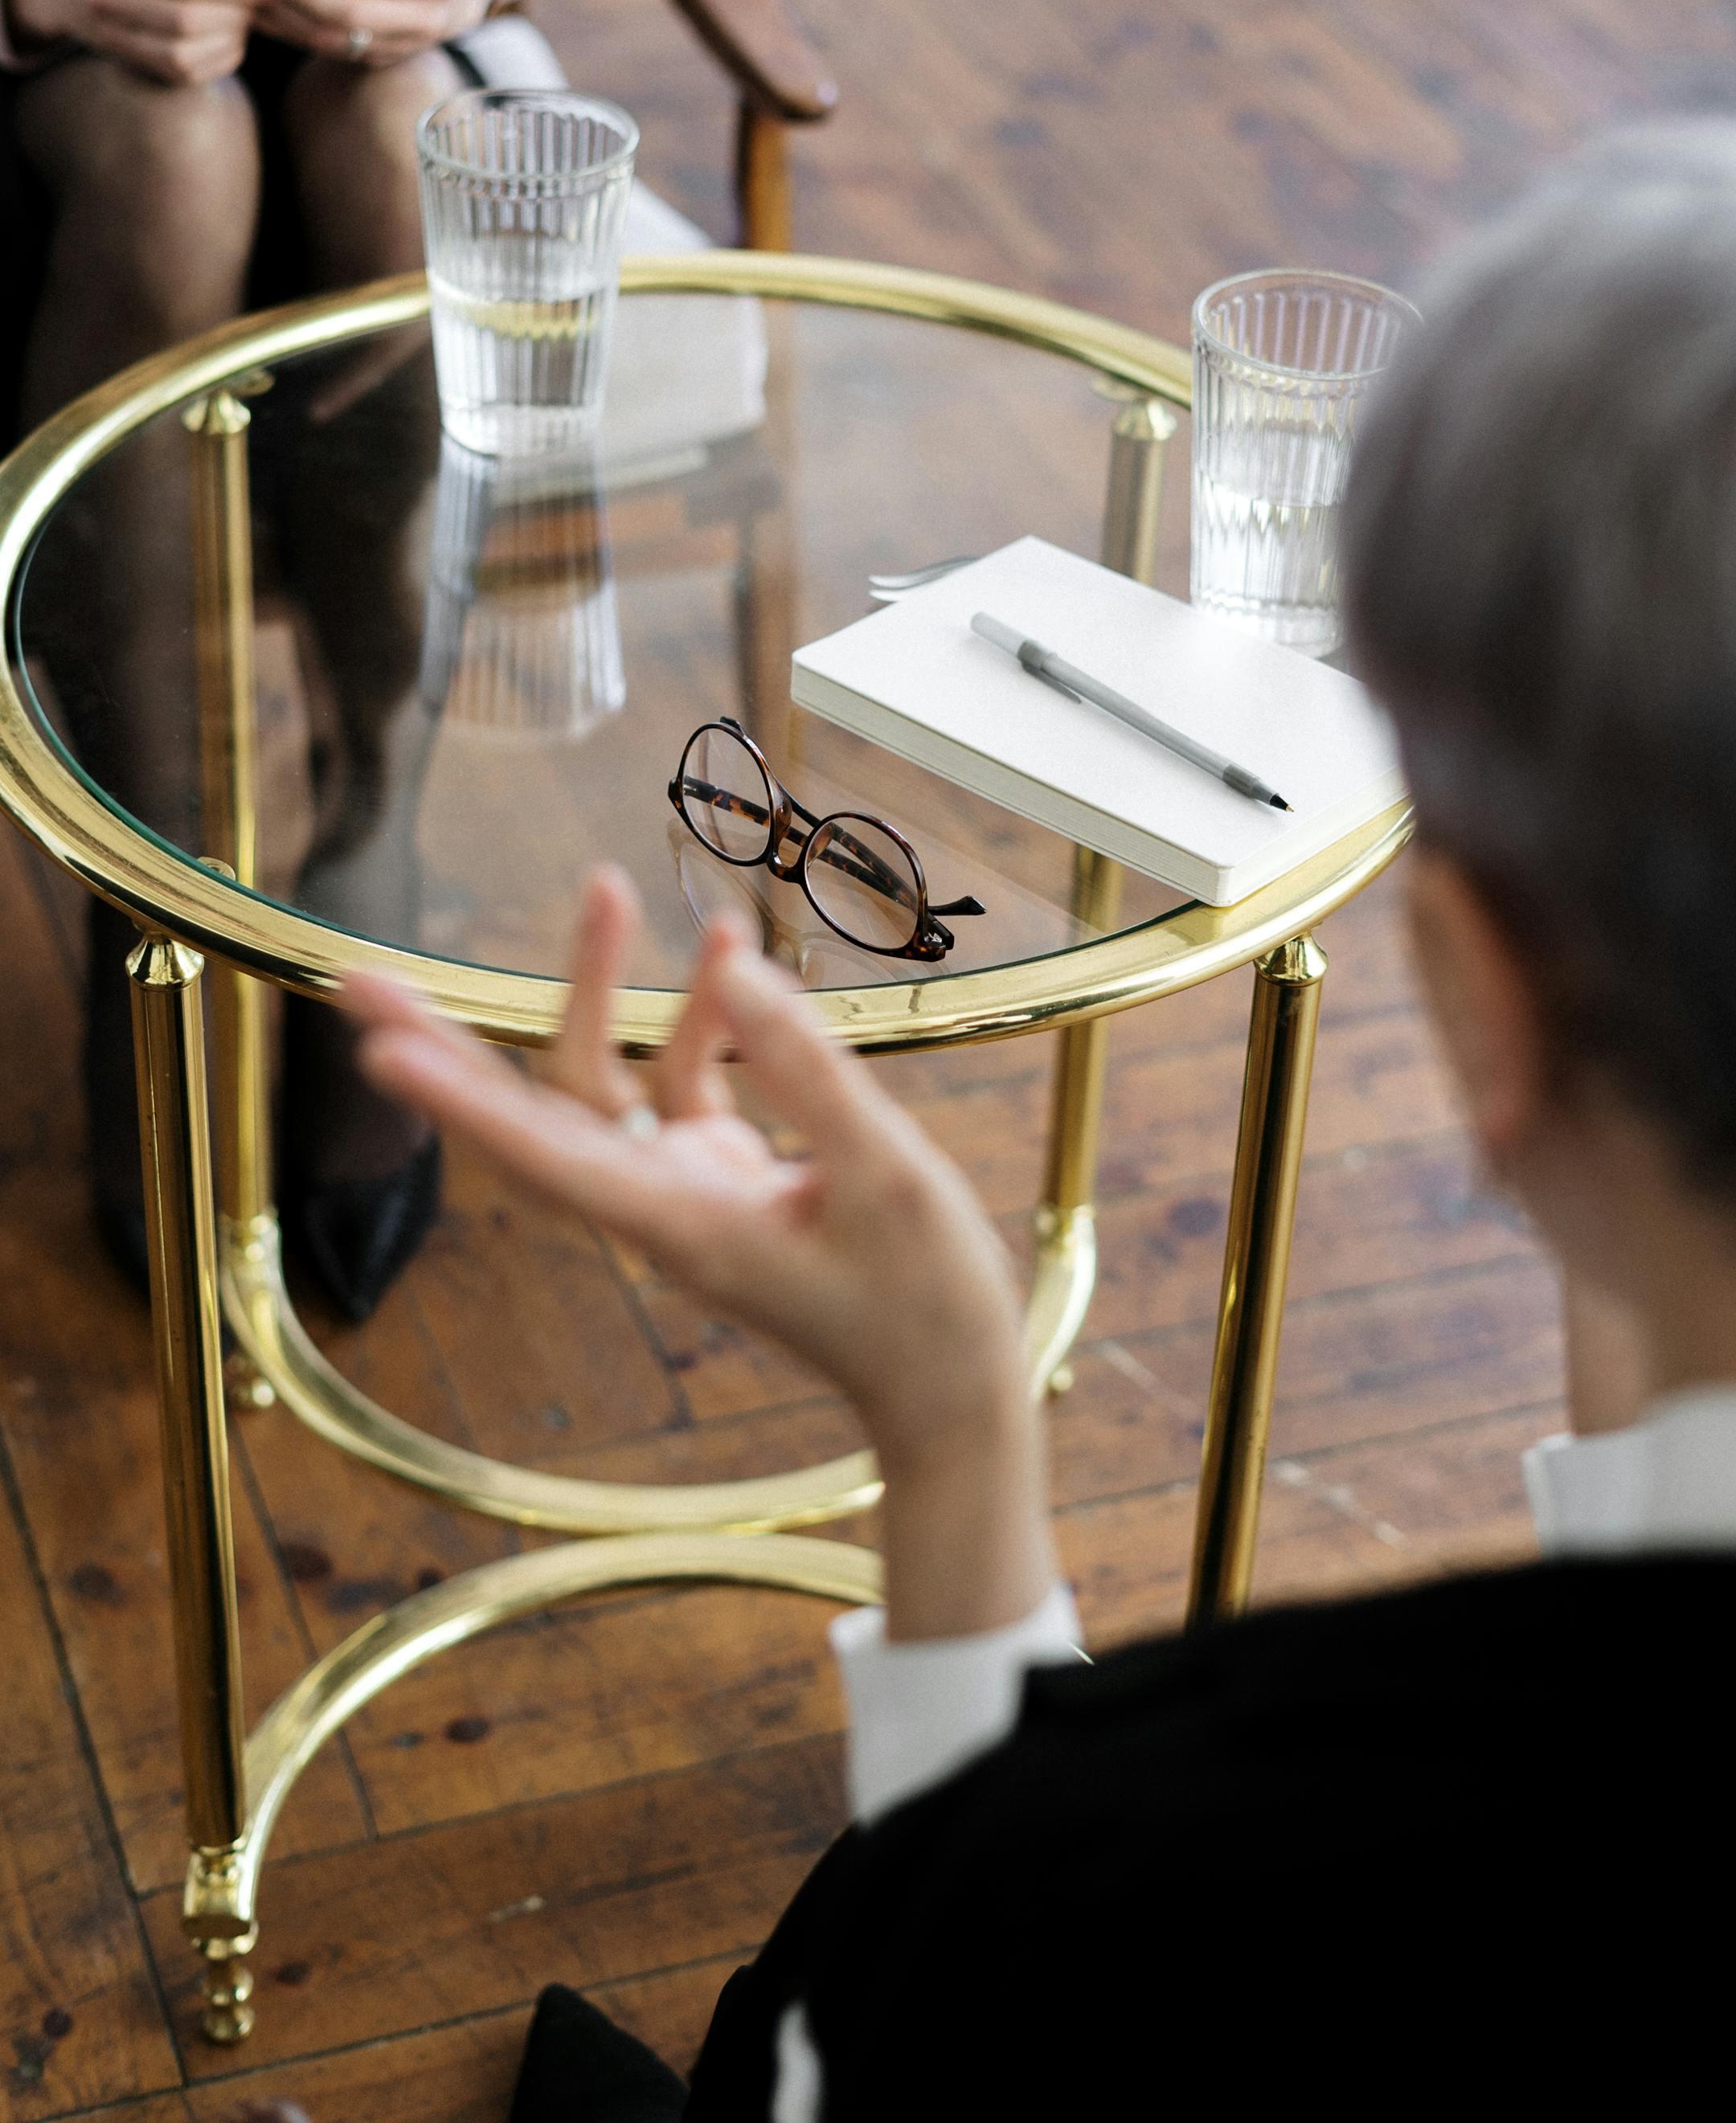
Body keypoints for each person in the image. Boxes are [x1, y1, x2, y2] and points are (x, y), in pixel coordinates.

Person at [345, 122, 1736, 2109]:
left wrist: (953, 1423)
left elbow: (957, 2013)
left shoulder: (1203, 1864)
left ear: (1488, 995)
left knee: (818, 1965)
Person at [0, 0, 579, 1313]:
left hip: (363, 80)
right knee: (175, 156)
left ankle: (369, 866)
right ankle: (148, 928)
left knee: (394, 134)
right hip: (35, 104)